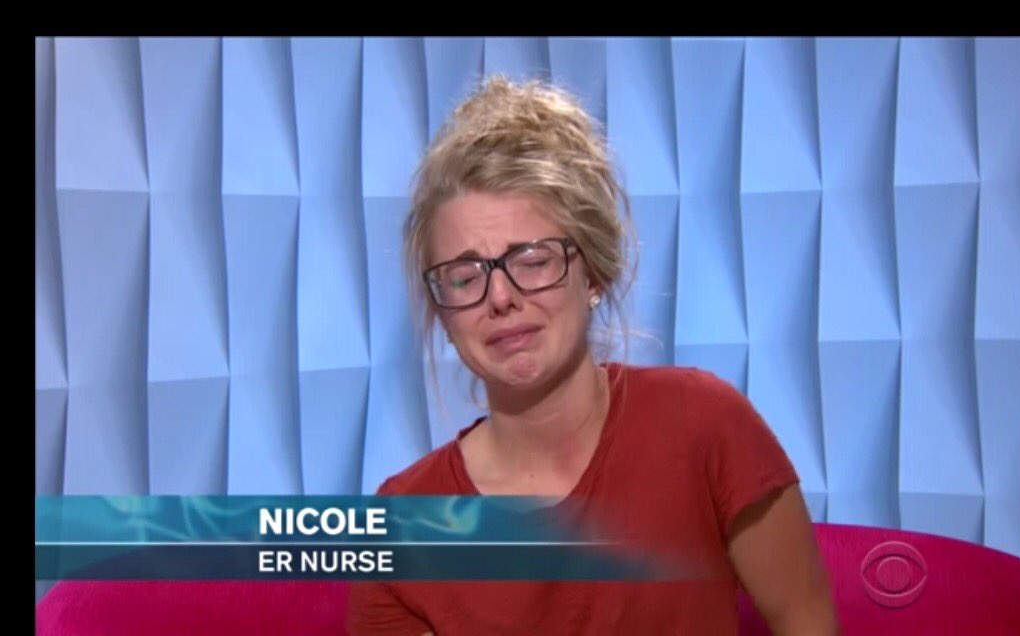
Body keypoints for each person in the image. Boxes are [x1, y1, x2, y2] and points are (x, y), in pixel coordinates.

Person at [347, 76, 837, 635]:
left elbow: (806, 621)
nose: (501, 297)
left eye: (533, 260)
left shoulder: (705, 424)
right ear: (442, 312)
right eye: (465, 277)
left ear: (594, 274)